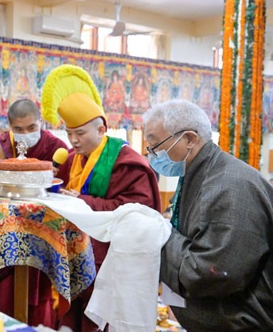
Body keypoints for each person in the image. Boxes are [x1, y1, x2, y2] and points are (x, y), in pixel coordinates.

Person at [41, 64, 161, 332]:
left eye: (80, 133)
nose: (73, 140)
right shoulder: (70, 159)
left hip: (109, 254)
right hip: (72, 248)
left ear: (102, 129)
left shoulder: (125, 161)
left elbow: (139, 210)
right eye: (69, 133)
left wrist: (84, 203)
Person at [144, 100, 273, 330]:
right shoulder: (197, 175)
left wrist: (158, 235)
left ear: (190, 139)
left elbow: (214, 273)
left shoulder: (232, 187)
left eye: (156, 147)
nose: (152, 156)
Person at [0, 98, 69, 328]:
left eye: (32, 128)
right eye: (19, 129)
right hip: (6, 231)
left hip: (42, 230)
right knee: (4, 291)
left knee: (40, 289)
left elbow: (63, 189)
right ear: (10, 127)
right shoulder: (0, 145)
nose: (26, 134)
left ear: (40, 122)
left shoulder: (57, 148)